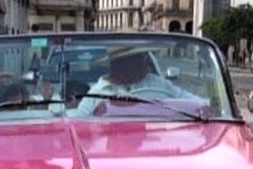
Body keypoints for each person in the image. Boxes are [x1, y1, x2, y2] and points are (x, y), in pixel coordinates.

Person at [69, 48, 202, 118]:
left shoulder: (158, 83)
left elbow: (191, 100)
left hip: (152, 145)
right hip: (112, 148)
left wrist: (204, 107)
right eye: (137, 58)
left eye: (143, 57)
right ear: (120, 65)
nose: (144, 63)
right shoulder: (97, 92)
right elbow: (79, 119)